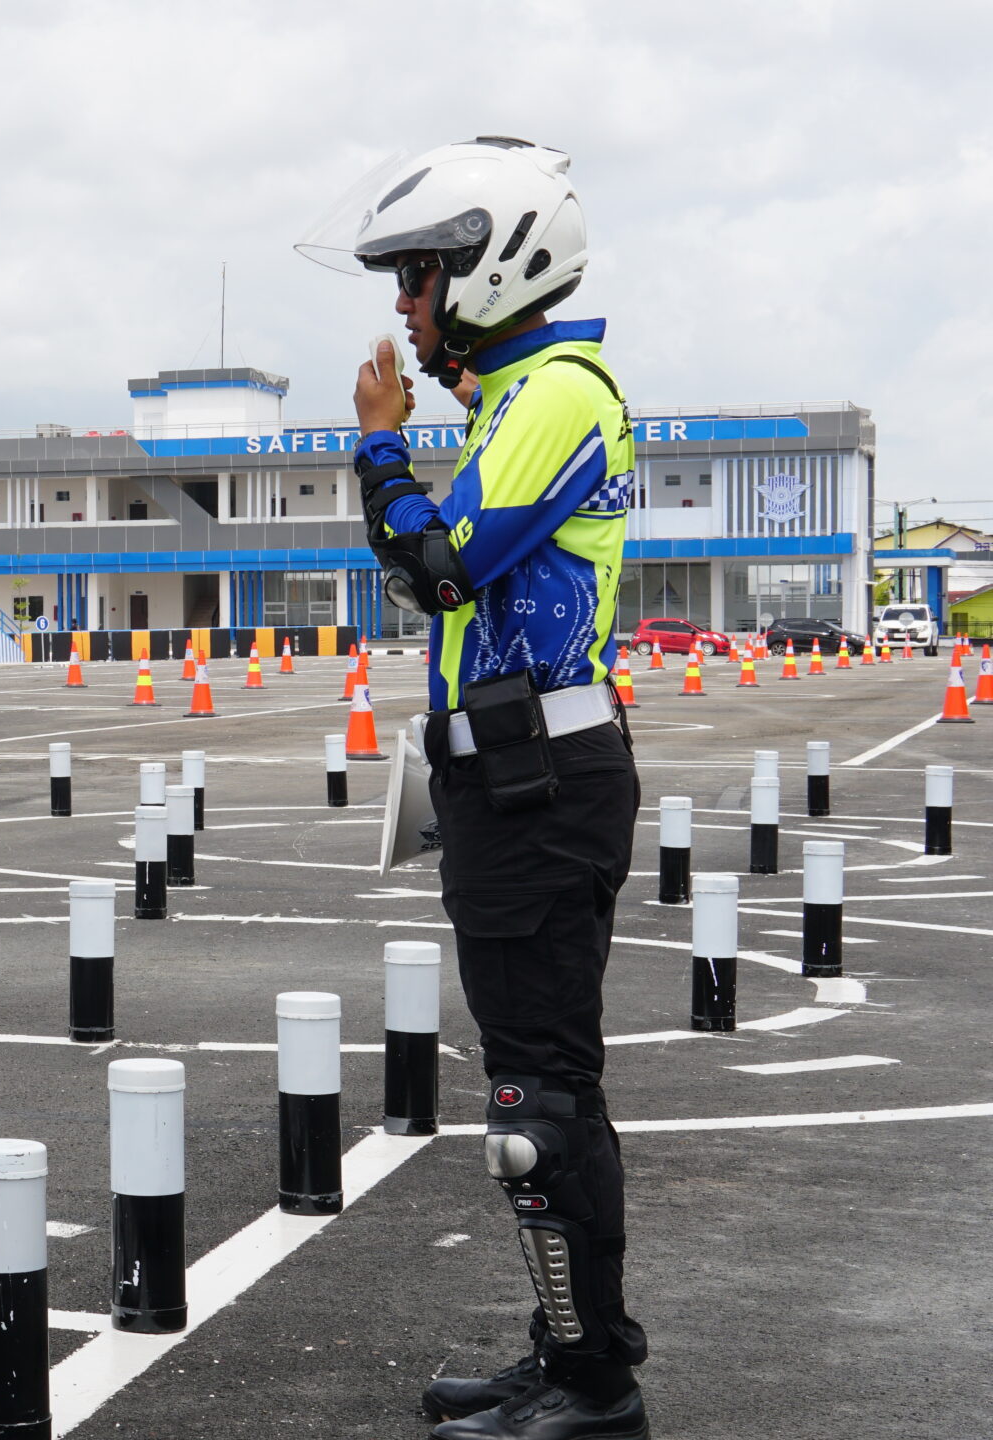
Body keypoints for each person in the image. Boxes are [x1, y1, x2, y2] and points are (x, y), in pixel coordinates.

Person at [305, 139, 650, 1440]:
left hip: (540, 781)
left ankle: (593, 1387)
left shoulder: (559, 393)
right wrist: (432, 416)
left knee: (539, 1108)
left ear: (491, 264)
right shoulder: (520, 401)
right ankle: (568, 1359)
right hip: (513, 780)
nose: (402, 305)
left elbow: (440, 570)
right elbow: (440, 564)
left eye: (418, 275)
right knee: (534, 1092)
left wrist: (384, 451)